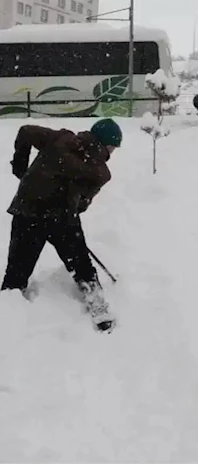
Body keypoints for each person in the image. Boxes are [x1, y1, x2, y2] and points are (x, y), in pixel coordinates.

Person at [2, 119, 123, 332]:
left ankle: (8, 312)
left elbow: (25, 131)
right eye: (113, 147)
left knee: (17, 272)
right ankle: (98, 306)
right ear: (106, 145)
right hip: (62, 220)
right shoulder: (100, 172)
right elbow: (83, 204)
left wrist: (20, 165)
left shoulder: (59, 138)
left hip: (27, 211)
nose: (112, 152)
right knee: (81, 265)